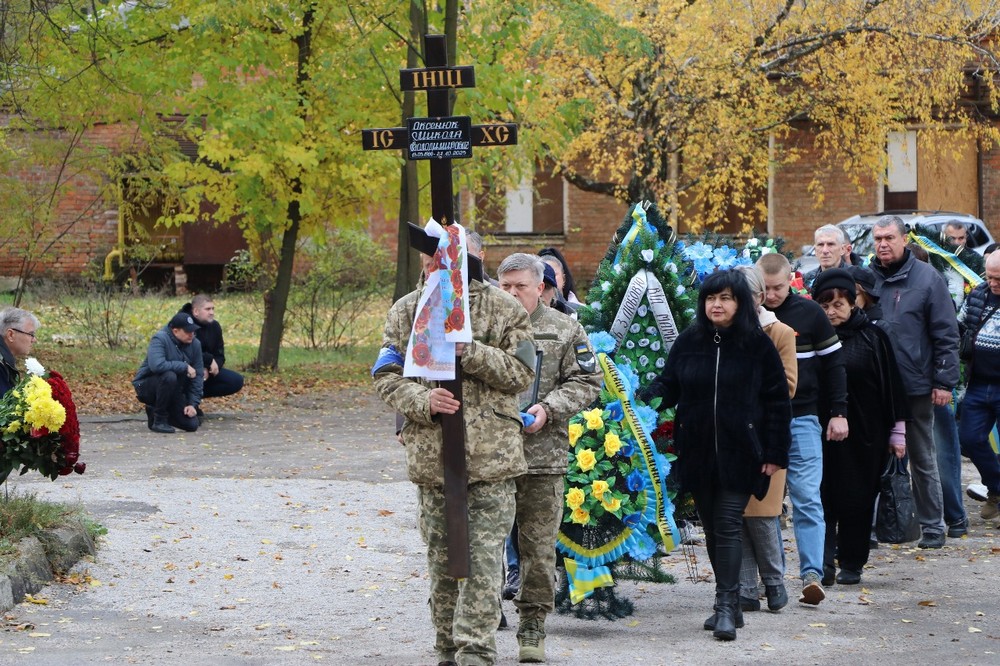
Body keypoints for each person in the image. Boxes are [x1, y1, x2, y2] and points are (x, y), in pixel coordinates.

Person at [372, 232, 535, 666]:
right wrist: (422, 402)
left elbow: (521, 372)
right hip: (434, 460)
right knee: (442, 563)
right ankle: (447, 648)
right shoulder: (408, 311)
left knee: (482, 564)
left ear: (465, 263)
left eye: (440, 263)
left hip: (491, 460)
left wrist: (472, 351)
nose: (431, 272)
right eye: (426, 265)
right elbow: (385, 374)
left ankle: (476, 653)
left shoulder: (505, 308)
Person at [641, 270, 791, 642]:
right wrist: (635, 396)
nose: (716, 305)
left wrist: (774, 453)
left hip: (744, 453)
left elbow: (777, 402)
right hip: (697, 452)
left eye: (725, 298)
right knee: (712, 528)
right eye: (710, 298)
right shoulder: (689, 341)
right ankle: (730, 603)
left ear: (740, 303)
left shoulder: (757, 345)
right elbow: (669, 386)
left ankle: (726, 605)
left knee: (726, 524)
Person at [496, 253, 601, 662]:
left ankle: (533, 626)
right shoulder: (486, 329)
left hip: (542, 459)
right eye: (504, 286)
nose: (511, 293)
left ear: (540, 288)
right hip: (492, 458)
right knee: (486, 547)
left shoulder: (565, 328)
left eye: (519, 286)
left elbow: (588, 379)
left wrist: (549, 407)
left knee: (538, 550)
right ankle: (485, 620)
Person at [757, 252, 848, 602]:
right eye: (765, 289)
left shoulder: (810, 314)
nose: (772, 295)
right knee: (766, 503)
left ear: (791, 279)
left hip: (803, 416)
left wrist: (839, 411)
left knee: (808, 497)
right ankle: (772, 576)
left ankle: (813, 572)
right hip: (763, 422)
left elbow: (834, 365)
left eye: (778, 287)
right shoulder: (749, 317)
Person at [811, 269, 910, 585]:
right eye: (825, 306)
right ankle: (822, 563)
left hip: (867, 433)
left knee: (857, 498)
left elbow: (892, 385)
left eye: (838, 305)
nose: (831, 312)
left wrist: (898, 432)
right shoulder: (812, 338)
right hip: (820, 431)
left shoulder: (874, 337)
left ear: (854, 303)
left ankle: (851, 562)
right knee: (821, 496)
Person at [869, 215, 959, 549]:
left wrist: (944, 381)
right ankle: (878, 525)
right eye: (878, 239)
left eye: (889, 237)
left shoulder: (927, 279)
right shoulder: (868, 279)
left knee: (922, 457)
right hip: (877, 386)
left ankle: (932, 525)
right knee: (877, 457)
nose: (883, 244)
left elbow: (946, 333)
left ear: (904, 239)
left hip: (917, 384)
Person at [734, 265, 797, 614]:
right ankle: (745, 588)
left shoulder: (781, 332)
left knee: (762, 514)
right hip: (732, 439)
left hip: (767, 434)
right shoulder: (720, 334)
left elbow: (787, 387)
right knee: (737, 516)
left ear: (759, 298)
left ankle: (773, 582)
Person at [957, 251, 1000, 523]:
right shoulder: (977, 295)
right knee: (969, 439)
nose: (994, 283)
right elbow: (959, 327)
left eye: (999, 279)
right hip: (978, 381)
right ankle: (996, 488)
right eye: (990, 277)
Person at [133, 312, 204, 434]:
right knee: (169, 375)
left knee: (192, 425)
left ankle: (155, 414)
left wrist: (192, 403)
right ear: (175, 331)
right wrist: (184, 366)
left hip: (174, 389)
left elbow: (198, 376)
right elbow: (157, 365)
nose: (191, 334)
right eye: (187, 331)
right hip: (147, 386)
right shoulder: (160, 338)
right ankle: (159, 419)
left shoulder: (195, 344)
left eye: (193, 331)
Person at [181, 295, 244, 405]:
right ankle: (183, 401)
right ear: (196, 311)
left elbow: (220, 355)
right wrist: (207, 362)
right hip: (184, 370)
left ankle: (193, 399)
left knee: (235, 381)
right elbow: (185, 352)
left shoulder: (215, 326)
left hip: (205, 372)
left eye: (213, 309)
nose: (211, 312)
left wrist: (212, 368)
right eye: (207, 309)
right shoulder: (183, 324)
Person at [0, 307, 39, 395]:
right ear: (10, 335)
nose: (34, 340)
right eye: (31, 334)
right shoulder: (1, 366)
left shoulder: (5, 361)